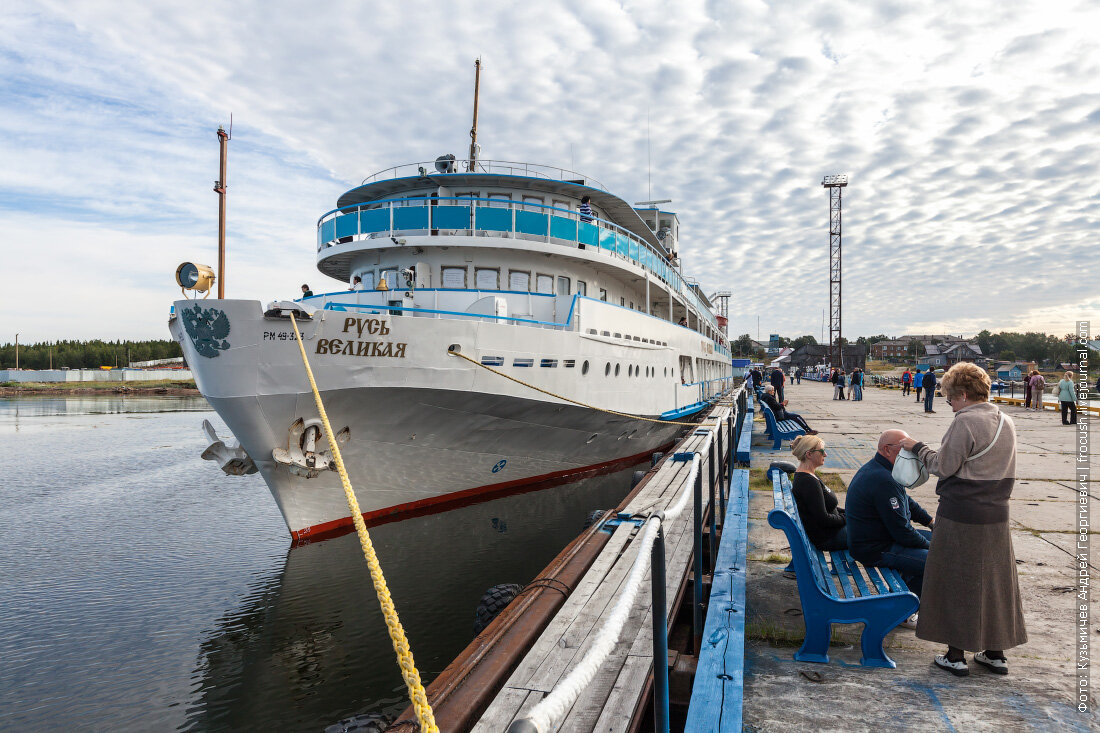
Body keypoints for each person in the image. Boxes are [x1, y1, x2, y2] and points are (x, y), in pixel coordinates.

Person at [900, 362, 1027, 677]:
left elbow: (943, 466)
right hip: (997, 515)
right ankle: (994, 652)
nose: (950, 405)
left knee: (955, 581)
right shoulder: (1006, 421)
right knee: (995, 582)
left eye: (951, 399)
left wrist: (917, 448)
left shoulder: (965, 422)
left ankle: (955, 655)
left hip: (960, 514)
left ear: (965, 394)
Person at [846, 429, 934, 628]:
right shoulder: (883, 479)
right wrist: (930, 547)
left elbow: (906, 501)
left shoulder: (882, 469)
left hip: (879, 539)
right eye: (905, 449)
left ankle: (904, 597)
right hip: (875, 548)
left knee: (936, 542)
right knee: (935, 561)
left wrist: (929, 522)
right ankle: (903, 612)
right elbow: (902, 532)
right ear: (887, 449)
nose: (910, 454)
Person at [790, 435, 847, 550]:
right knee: (877, 530)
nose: (825, 454)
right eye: (822, 451)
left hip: (832, 533)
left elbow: (827, 507)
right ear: (809, 454)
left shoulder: (809, 475)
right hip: (829, 538)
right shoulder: (808, 482)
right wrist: (847, 518)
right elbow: (823, 519)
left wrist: (850, 513)